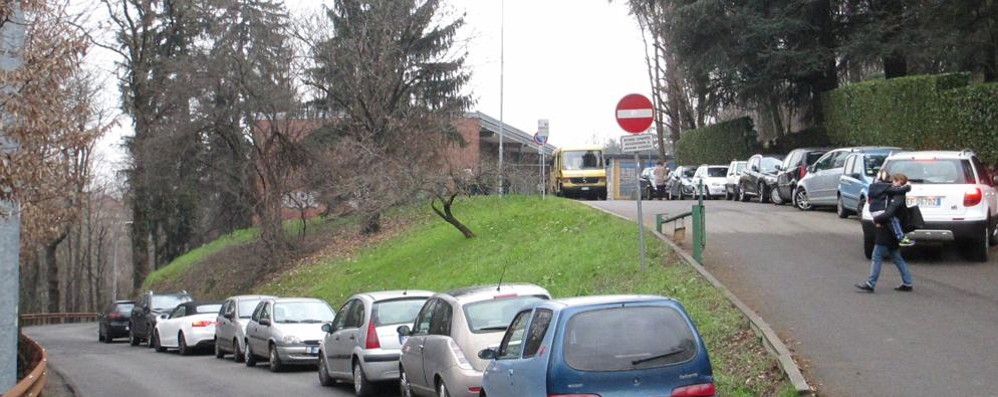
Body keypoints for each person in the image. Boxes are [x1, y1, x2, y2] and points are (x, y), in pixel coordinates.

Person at [856, 171, 914, 293]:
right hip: (890, 230)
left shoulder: (897, 196)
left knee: (876, 256)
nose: (892, 182)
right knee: (896, 257)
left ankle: (870, 284)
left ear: (900, 182)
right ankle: (907, 282)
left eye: (895, 180)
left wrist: (876, 219)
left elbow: (889, 213)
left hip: (886, 230)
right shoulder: (896, 193)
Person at [869, 171, 914, 247]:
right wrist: (908, 187)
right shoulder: (885, 188)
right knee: (893, 220)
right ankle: (901, 237)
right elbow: (898, 190)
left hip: (874, 210)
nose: (892, 182)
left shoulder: (875, 187)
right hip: (880, 211)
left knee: (891, 222)